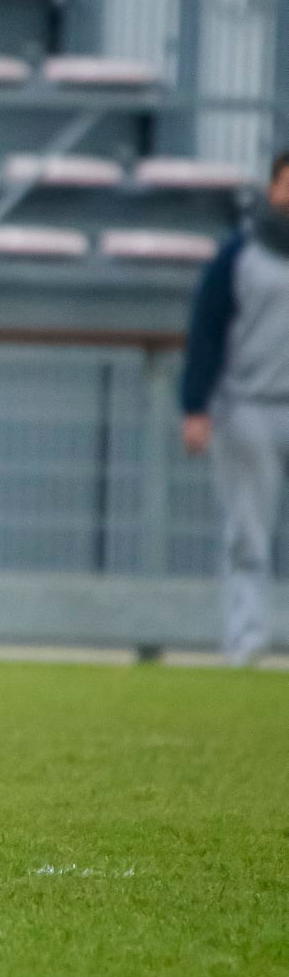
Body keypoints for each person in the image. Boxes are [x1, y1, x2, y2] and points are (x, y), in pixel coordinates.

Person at [181, 151, 289, 666]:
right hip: (250, 408)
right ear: (272, 187)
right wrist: (195, 406)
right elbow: (206, 330)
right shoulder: (242, 252)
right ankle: (245, 646)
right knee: (249, 534)